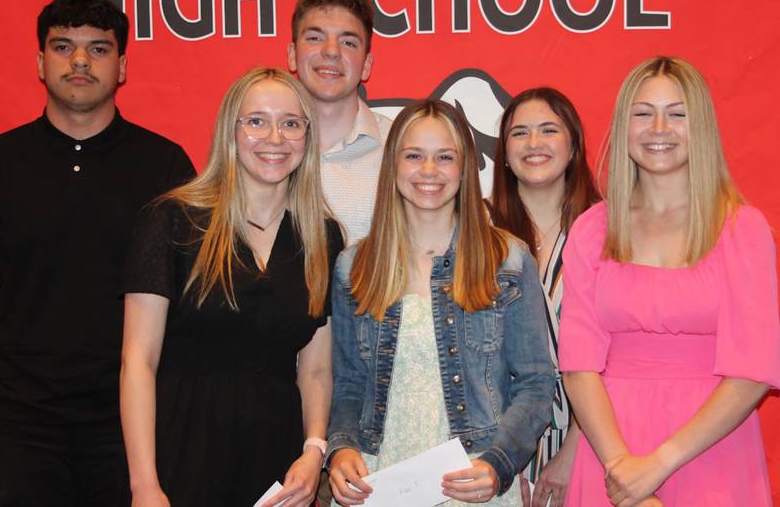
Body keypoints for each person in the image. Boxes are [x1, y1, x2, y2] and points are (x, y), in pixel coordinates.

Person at [0, 0, 195, 507]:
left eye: (98, 49)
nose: (79, 61)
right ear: (39, 61)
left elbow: (189, 314)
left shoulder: (165, 167)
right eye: (63, 47)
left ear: (122, 66)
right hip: (16, 426)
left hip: (128, 429)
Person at [559, 56, 780, 507]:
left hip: (713, 450)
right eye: (643, 113)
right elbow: (579, 368)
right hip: (611, 455)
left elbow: (752, 372)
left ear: (700, 127)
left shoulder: (743, 229)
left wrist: (658, 465)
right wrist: (624, 473)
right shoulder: (591, 230)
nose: (659, 128)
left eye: (677, 114)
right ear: (624, 125)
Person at [119, 67, 343, 507]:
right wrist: (144, 485)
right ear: (230, 131)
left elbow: (315, 370)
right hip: (180, 453)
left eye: (291, 123)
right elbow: (137, 361)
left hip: (277, 465)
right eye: (257, 121)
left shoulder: (323, 236)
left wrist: (313, 450)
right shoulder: (172, 220)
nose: (275, 137)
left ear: (307, 137)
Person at [327, 99, 555, 507]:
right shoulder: (354, 267)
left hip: (473, 483)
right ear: (392, 165)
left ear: (465, 168)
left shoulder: (507, 260)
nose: (429, 171)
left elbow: (537, 384)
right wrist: (342, 447)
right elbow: (348, 385)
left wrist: (498, 463)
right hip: (380, 482)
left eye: (444, 157)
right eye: (414, 155)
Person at [488, 87, 600, 507]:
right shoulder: (478, 232)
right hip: (496, 437)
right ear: (503, 150)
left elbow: (622, 353)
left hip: (593, 435)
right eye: (520, 133)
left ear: (573, 145)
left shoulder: (609, 232)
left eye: (548, 130)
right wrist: (503, 456)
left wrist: (575, 450)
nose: (533, 144)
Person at [287, 0, 392, 245]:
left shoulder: (400, 148)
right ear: (292, 55)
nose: (331, 51)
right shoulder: (258, 149)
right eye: (315, 38)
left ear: (366, 65)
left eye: (348, 42)